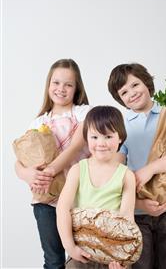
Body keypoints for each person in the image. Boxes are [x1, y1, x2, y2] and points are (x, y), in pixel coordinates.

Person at [108, 63, 166, 269]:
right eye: (124, 92)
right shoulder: (121, 124)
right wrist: (140, 203)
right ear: (120, 99)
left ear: (147, 82)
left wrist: (149, 169)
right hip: (138, 212)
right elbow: (117, 170)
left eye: (135, 84)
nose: (132, 93)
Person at [15, 59, 91, 269]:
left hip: (80, 197)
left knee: (84, 258)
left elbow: (76, 146)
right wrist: (26, 174)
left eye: (68, 84)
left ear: (77, 89)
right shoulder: (39, 122)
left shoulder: (83, 113)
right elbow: (20, 161)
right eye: (56, 83)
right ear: (48, 85)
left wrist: (50, 171)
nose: (61, 89)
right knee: (53, 260)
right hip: (46, 202)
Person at [56, 106, 136, 269]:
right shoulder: (78, 170)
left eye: (108, 136)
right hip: (80, 252)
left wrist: (122, 259)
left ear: (120, 137)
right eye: (94, 137)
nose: (101, 143)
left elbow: (127, 218)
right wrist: (70, 247)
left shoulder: (126, 175)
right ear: (86, 138)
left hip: (111, 257)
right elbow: (62, 209)